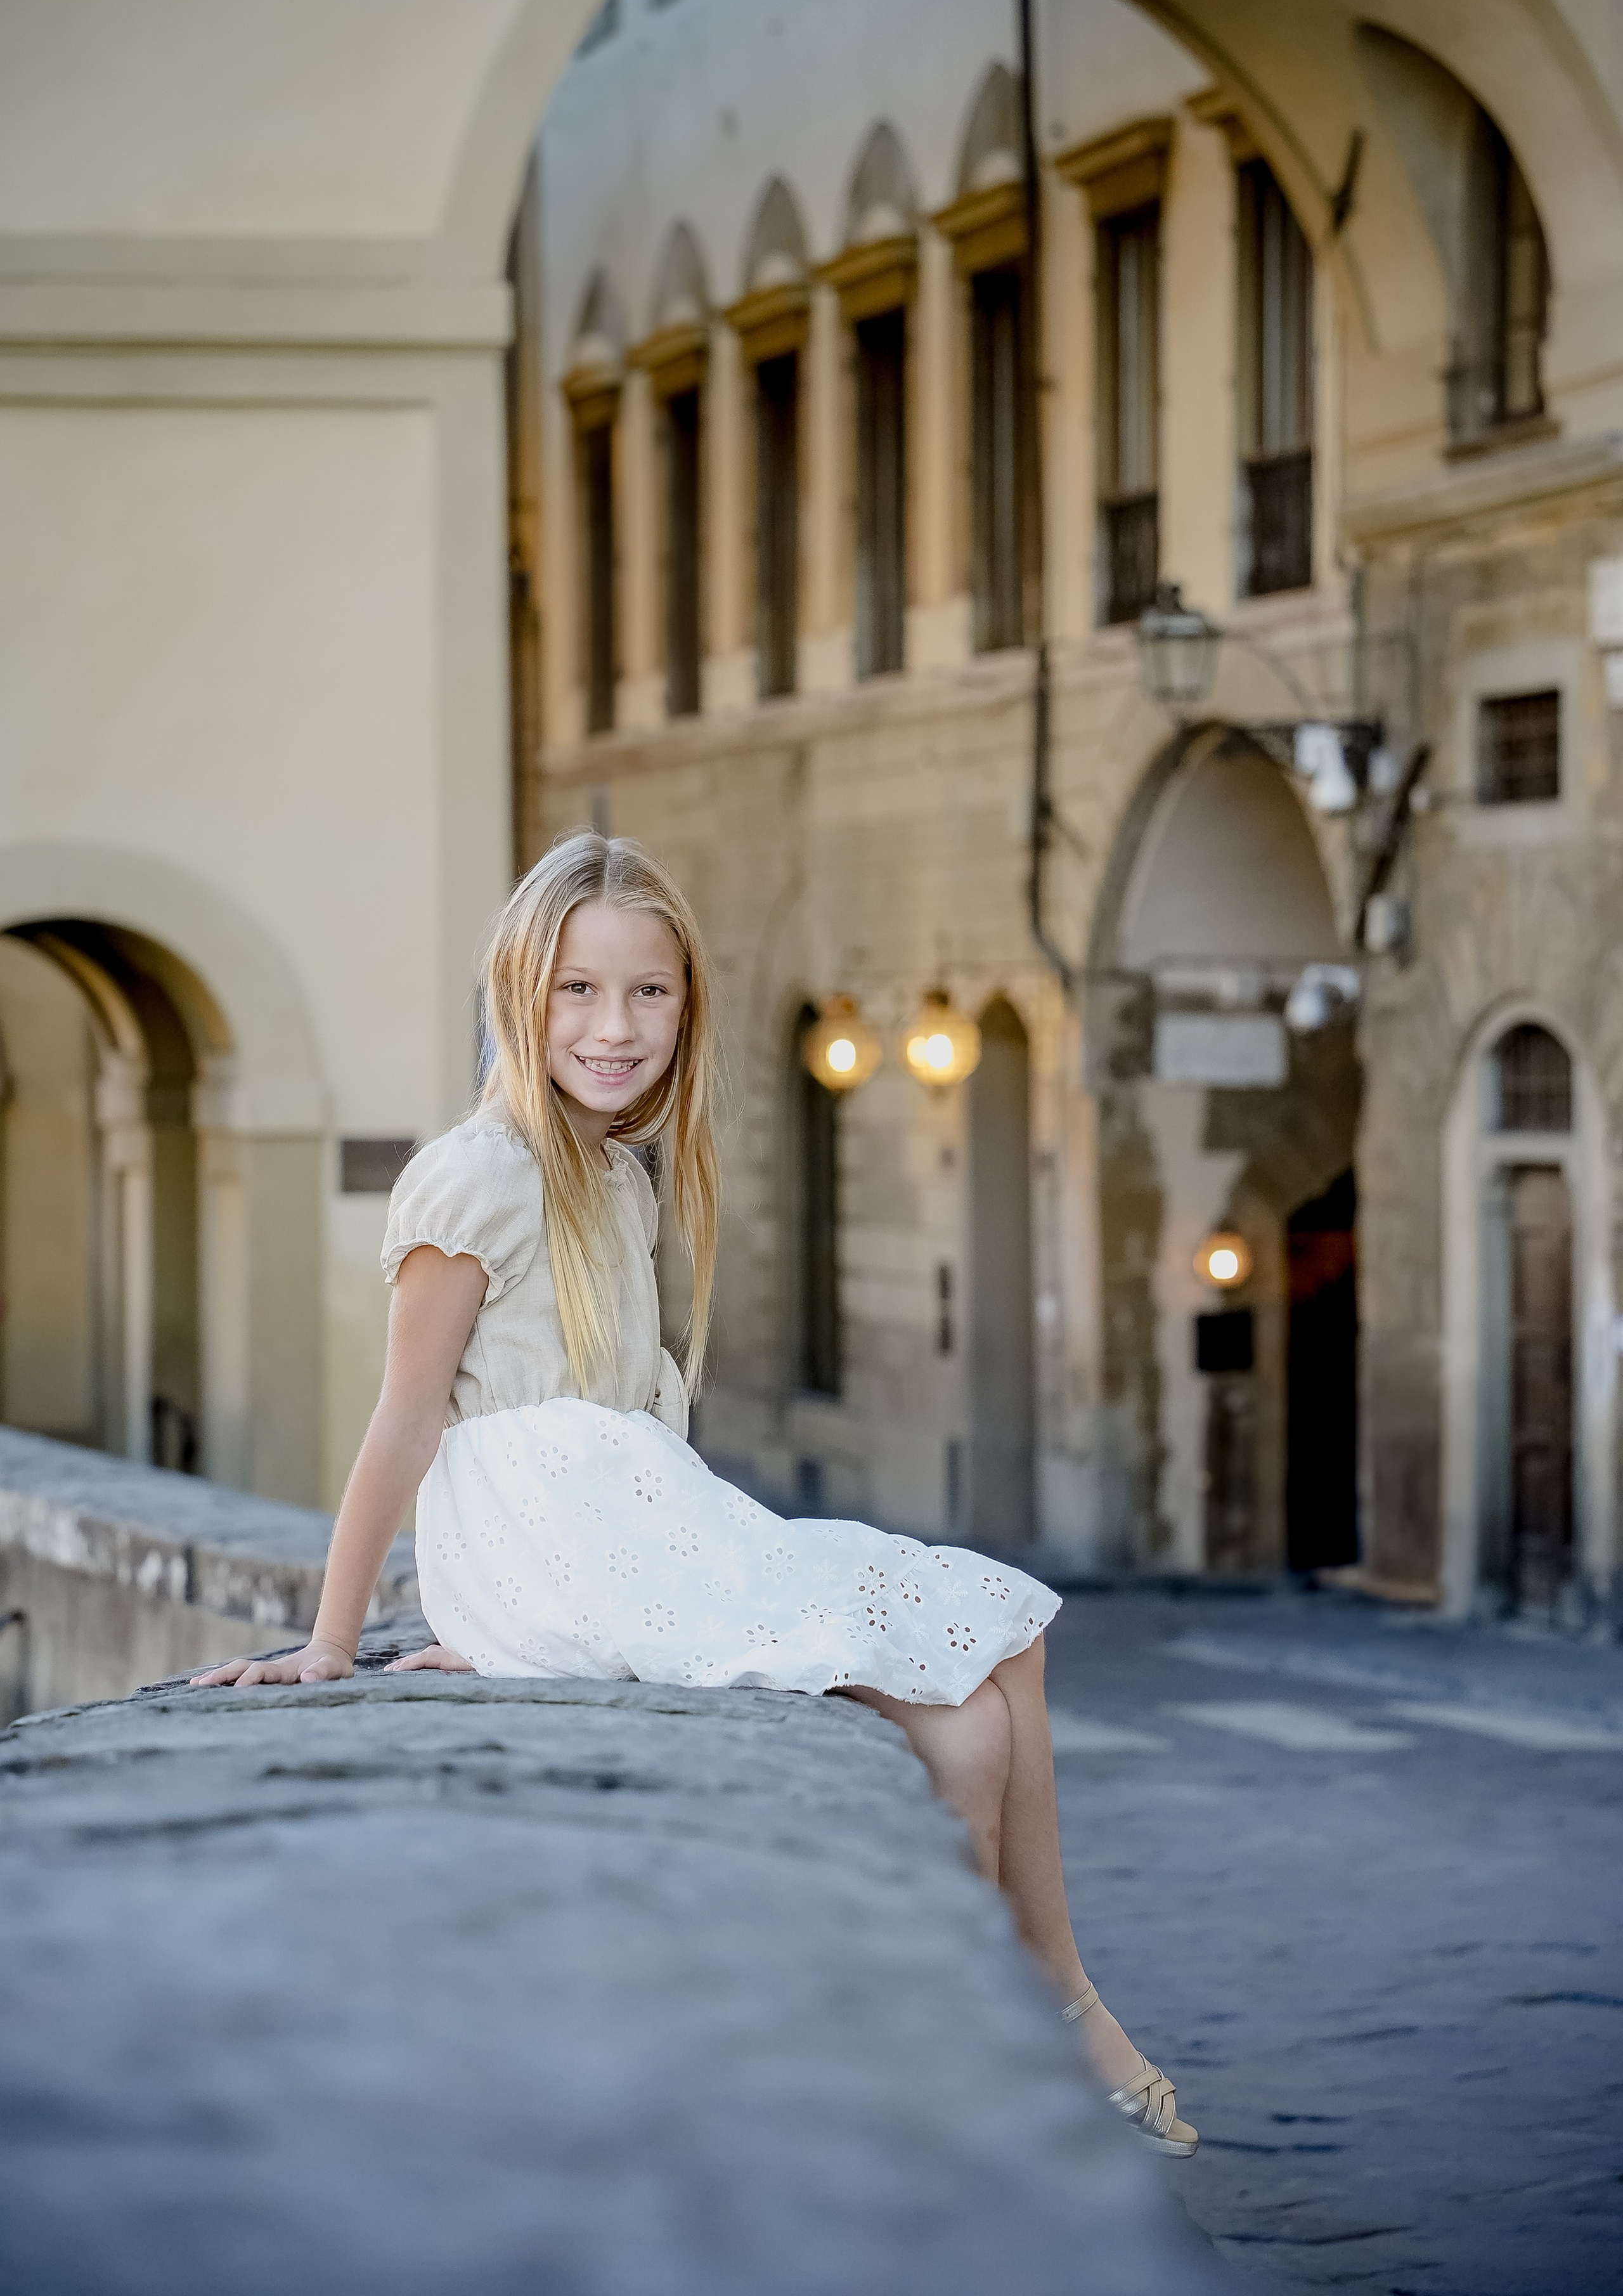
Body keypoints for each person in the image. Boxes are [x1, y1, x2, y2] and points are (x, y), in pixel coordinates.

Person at [194, 831, 1196, 2157]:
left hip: (624, 1525)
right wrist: (335, 1640)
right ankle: (1014, 2030)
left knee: (990, 1669)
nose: (616, 1028)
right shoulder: (479, 1173)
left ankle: (1015, 2016)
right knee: (970, 1660)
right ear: (517, 991)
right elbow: (401, 1415)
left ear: (687, 1003)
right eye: (577, 991)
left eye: (648, 993)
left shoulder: (615, 1171)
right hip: (568, 1545)